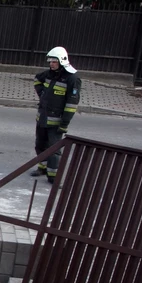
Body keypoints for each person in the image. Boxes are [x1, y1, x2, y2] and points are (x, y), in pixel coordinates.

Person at [33, 46, 81, 184]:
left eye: (54, 61)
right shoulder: (49, 74)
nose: (51, 64)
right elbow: (37, 79)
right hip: (42, 117)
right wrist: (42, 93)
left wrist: (64, 123)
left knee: (53, 149)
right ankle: (42, 167)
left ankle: (53, 176)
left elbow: (72, 104)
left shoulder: (72, 79)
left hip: (56, 121)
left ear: (62, 61)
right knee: (40, 144)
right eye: (50, 62)